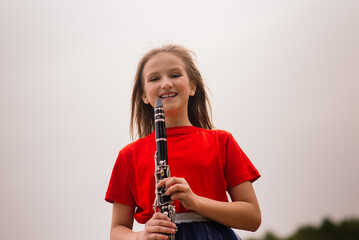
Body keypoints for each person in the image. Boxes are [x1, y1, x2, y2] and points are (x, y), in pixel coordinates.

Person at [105, 44, 261, 240]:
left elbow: (252, 217)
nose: (166, 84)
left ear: (193, 86)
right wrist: (142, 235)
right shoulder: (128, 155)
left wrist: (194, 201)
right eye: (154, 79)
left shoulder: (222, 142)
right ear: (144, 95)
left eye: (175, 75)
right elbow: (117, 230)